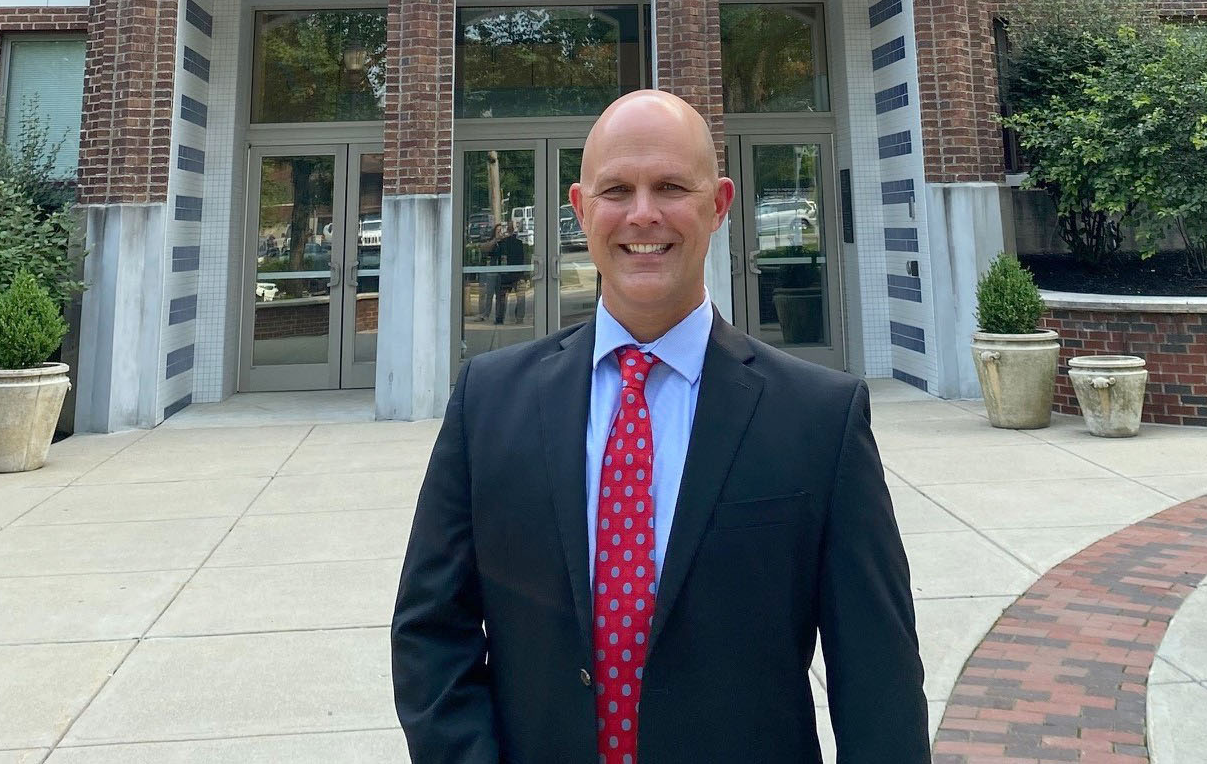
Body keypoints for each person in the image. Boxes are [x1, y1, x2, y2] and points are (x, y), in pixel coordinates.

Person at [391, 90, 929, 764]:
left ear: (719, 204)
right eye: (617, 189)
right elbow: (431, 630)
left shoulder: (821, 417)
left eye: (671, 186)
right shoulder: (490, 401)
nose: (643, 214)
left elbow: (877, 675)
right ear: (581, 208)